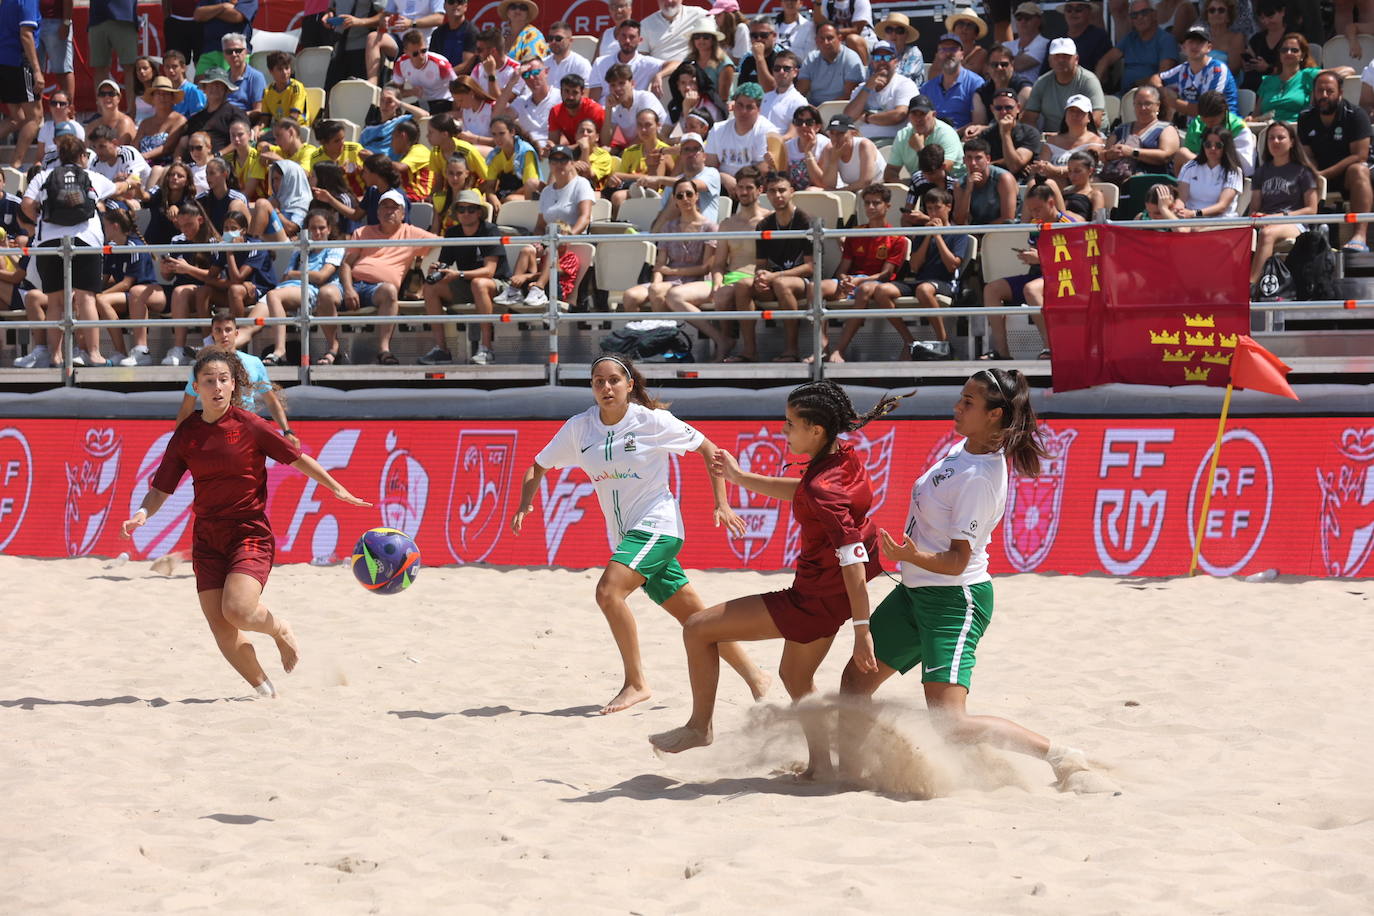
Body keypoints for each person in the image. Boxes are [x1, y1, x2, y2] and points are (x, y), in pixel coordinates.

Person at [835, 369, 1105, 793]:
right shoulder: (964, 448)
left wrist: (909, 555)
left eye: (968, 403)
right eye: (961, 398)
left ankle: (1062, 757)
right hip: (915, 592)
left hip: (953, 601)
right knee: (854, 683)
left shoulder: (981, 478)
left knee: (950, 725)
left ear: (995, 415)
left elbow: (958, 562)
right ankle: (849, 772)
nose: (957, 408)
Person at [649, 380, 898, 772]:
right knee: (795, 677)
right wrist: (739, 477)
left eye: (789, 424)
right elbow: (803, 491)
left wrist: (862, 629)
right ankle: (821, 767)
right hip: (827, 599)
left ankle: (699, 727)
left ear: (815, 430)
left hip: (812, 602)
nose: (783, 431)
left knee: (697, 628)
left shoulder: (823, 488)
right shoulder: (842, 460)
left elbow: (852, 558)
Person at [512, 352, 767, 714]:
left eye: (613, 380)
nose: (606, 387)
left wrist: (721, 503)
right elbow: (537, 466)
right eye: (598, 381)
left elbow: (710, 449)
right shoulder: (579, 428)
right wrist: (525, 504)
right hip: (626, 537)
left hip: (658, 526)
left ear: (630, 385)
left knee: (608, 592)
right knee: (696, 618)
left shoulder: (651, 421)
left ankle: (636, 683)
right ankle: (756, 678)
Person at [123, 349, 369, 698]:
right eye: (209, 381)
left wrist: (337, 488)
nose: (217, 387)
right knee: (221, 627)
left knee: (237, 610)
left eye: (224, 380)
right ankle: (266, 694)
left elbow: (297, 458)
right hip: (207, 538)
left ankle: (280, 629)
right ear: (196, 388)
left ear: (234, 385)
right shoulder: (186, 434)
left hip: (248, 532)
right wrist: (142, 514)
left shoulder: (249, 424)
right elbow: (161, 488)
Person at [20, 133, 126, 368]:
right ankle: (95, 354)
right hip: (86, 240)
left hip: (50, 241)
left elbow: (26, 204)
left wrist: (38, 218)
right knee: (87, 298)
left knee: (56, 301)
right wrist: (130, 183)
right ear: (82, 156)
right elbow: (117, 188)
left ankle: (56, 356)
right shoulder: (91, 176)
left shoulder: (44, 176)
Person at [623, 177, 729, 355]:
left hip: (695, 280)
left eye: (689, 194)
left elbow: (705, 268)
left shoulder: (710, 227)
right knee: (629, 296)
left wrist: (670, 273)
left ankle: (663, 347)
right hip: (669, 279)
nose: (685, 198)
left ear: (696, 196)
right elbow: (660, 263)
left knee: (657, 291)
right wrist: (657, 280)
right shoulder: (668, 227)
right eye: (680, 195)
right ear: (674, 200)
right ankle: (642, 343)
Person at [336, 189, 438, 364]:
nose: (389, 211)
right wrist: (348, 289)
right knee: (326, 294)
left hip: (379, 290)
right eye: (384, 207)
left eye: (394, 207)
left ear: (403, 213)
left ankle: (383, 350)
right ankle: (333, 350)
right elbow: (346, 264)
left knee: (389, 291)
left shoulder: (411, 233)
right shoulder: (362, 232)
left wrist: (430, 266)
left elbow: (443, 244)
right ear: (377, 212)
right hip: (353, 285)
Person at [979, 183, 1079, 359]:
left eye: (1038, 209)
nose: (1034, 214)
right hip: (1038, 275)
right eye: (1031, 210)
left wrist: (1040, 258)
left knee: (1031, 290)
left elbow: (1075, 262)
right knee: (991, 289)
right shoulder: (1035, 224)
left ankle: (1050, 347)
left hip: (1062, 277)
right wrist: (1030, 257)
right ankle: (1002, 353)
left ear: (1051, 203)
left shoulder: (1068, 225)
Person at [820, 184, 910, 362]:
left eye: (876, 203)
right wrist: (844, 279)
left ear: (887, 206)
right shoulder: (855, 233)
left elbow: (885, 274)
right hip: (854, 282)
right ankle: (822, 347)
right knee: (817, 287)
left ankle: (840, 350)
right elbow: (843, 268)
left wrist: (857, 282)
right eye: (867, 203)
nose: (870, 207)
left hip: (873, 284)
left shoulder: (897, 237)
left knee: (866, 289)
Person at [877, 186, 969, 355]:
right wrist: (928, 235)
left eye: (937, 208)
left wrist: (938, 236)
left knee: (924, 289)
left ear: (949, 207)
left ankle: (943, 341)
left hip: (946, 283)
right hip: (921, 281)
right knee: (882, 291)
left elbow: (952, 265)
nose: (933, 213)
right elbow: (914, 266)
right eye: (929, 209)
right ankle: (909, 341)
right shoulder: (922, 233)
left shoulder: (959, 233)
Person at [419, 189, 507, 365]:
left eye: (471, 209)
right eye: (461, 209)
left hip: (497, 285)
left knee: (479, 284)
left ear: (479, 212)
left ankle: (487, 348)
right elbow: (445, 264)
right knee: (430, 287)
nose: (466, 213)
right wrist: (436, 270)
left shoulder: (490, 230)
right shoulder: (452, 233)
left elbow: (489, 271)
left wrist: (458, 274)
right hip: (467, 284)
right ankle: (441, 349)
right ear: (456, 213)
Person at [174, 309, 291, 435]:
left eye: (228, 330)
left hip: (246, 431)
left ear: (236, 333)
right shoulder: (202, 367)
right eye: (218, 330)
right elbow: (187, 407)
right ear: (212, 334)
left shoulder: (254, 363)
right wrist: (177, 440)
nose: (223, 334)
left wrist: (288, 431)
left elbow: (271, 401)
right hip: (215, 430)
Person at [741, 170, 811, 362]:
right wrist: (760, 278)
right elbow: (761, 264)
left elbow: (810, 267)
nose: (777, 196)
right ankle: (749, 351)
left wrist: (773, 277)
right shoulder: (763, 225)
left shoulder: (806, 221)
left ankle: (791, 350)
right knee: (742, 285)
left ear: (792, 191)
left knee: (783, 284)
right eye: (772, 191)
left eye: (782, 190)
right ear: (767, 194)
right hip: (775, 280)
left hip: (804, 283)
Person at [1299, 70, 1373, 252]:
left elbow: (1360, 155)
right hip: (1319, 174)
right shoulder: (1305, 117)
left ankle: (1359, 236)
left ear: (1340, 92)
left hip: (1348, 176)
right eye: (1319, 91)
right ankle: (1304, 239)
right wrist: (1314, 173)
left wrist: (1322, 174)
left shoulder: (1355, 115)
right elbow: (1306, 154)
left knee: (1359, 170)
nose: (1323, 95)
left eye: (1329, 91)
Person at [263, 210, 344, 366]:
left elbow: (321, 276)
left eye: (321, 228)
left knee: (273, 296)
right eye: (313, 228)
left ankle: (280, 351)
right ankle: (278, 351)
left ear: (330, 229)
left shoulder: (334, 247)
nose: (317, 232)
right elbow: (285, 278)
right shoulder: (300, 251)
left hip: (311, 290)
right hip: (290, 289)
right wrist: (298, 275)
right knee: (270, 298)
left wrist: (295, 273)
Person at [1246, 120, 1318, 285]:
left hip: (1294, 223)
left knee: (1268, 234)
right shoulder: (1261, 172)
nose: (1275, 142)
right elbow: (1254, 208)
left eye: (1281, 138)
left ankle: (1251, 285)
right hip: (1266, 222)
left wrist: (1280, 216)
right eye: (1271, 138)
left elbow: (1312, 209)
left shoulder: (1303, 171)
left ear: (1292, 142)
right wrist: (1258, 217)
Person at [704, 82, 783, 196]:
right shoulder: (718, 129)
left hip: (753, 187)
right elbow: (709, 166)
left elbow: (763, 169)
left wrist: (739, 184)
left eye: (749, 107)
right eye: (740, 105)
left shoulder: (767, 131)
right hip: (723, 185)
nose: (743, 111)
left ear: (759, 109)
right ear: (733, 106)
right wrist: (723, 177)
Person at [1152, 24, 1237, 119]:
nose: (1195, 46)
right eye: (1191, 42)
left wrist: (1173, 102)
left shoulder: (1217, 69)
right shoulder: (1183, 68)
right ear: (1183, 47)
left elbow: (1207, 109)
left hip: (1222, 126)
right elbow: (1155, 78)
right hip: (1193, 128)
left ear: (1209, 48)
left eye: (1200, 42)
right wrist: (1164, 92)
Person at [1099, 85, 1179, 186]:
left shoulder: (1166, 129)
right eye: (1139, 104)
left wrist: (1132, 152)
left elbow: (1165, 156)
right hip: (1115, 176)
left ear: (1157, 105)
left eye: (1147, 103)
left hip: (1149, 181)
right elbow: (1102, 155)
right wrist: (1109, 154)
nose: (1143, 108)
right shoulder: (1121, 129)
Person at [1096, 0, 1179, 94]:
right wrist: (1097, 87)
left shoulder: (1166, 40)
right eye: (1134, 15)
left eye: (1144, 13)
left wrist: (1137, 83)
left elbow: (1163, 76)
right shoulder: (1130, 38)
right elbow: (1104, 61)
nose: (1139, 17)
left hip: (1150, 96)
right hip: (1124, 95)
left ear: (1154, 15)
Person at [1025, 38, 1106, 133]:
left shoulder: (1089, 81)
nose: (1061, 60)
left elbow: (1096, 120)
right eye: (1056, 56)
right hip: (1053, 138)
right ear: (1049, 60)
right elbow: (1029, 118)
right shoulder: (1041, 82)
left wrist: (1066, 138)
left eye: (1066, 56)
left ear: (1076, 59)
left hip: (1089, 137)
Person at [0, 0, 44, 172]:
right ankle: (15, 166)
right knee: (35, 116)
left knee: (17, 118)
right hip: (19, 63)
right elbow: (26, 34)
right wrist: (37, 70)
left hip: (4, 61)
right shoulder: (27, 1)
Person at [844, 40, 918, 142]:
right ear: (872, 62)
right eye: (877, 58)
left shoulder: (905, 84)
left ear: (896, 61)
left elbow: (899, 115)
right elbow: (848, 117)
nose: (882, 61)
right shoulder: (862, 88)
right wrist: (868, 87)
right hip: (863, 142)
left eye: (887, 57)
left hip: (893, 143)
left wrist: (867, 117)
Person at [1026, 94, 1106, 185]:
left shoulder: (1095, 142)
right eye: (1071, 111)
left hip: (1079, 187)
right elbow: (1043, 167)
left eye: (1080, 112)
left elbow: (1084, 169)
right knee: (1032, 183)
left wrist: (1055, 170)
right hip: (1051, 185)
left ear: (1089, 117)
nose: (1075, 115)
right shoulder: (1051, 141)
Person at [1252, 34, 1333, 124]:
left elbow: (1347, 71)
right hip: (1267, 129)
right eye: (1284, 50)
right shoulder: (1268, 81)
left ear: (1302, 55)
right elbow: (1256, 114)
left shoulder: (1308, 75)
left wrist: (1320, 74)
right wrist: (1251, 119)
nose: (1288, 53)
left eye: (1294, 50)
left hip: (1296, 128)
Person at [365, 0, 445, 86]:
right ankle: (372, 83)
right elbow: (386, 14)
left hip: (423, 44)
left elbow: (440, 18)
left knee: (413, 86)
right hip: (400, 41)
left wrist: (412, 23)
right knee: (373, 37)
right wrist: (385, 21)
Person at [590, 18, 670, 103]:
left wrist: (659, 75)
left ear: (640, 40)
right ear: (617, 37)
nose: (627, 41)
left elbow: (676, 64)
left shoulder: (646, 63)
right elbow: (594, 100)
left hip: (635, 113)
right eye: (623, 36)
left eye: (632, 37)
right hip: (605, 111)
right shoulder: (600, 63)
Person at [1176, 89, 1255, 175]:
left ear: (1224, 113)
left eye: (1212, 121)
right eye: (1204, 121)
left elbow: (1246, 168)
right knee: (1182, 153)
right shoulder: (1197, 123)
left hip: (1225, 175)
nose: (1208, 126)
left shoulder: (1239, 129)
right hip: (1198, 174)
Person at [607, 109, 673, 211]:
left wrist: (624, 176)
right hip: (631, 190)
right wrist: (614, 180)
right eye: (640, 125)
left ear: (658, 125)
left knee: (618, 197)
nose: (643, 130)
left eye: (648, 125)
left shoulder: (667, 151)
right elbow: (620, 179)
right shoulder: (629, 151)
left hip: (657, 195)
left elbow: (660, 179)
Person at [1174, 125, 1244, 219]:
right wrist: (1179, 209)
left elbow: (1222, 206)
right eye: (1208, 144)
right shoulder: (1190, 166)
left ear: (1226, 148)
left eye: (1218, 145)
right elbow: (1182, 199)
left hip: (1221, 221)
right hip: (1191, 219)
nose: (1212, 148)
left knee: (1194, 230)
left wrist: (1194, 214)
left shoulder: (1233, 172)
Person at [921, 32, 987, 130]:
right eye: (943, 49)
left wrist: (952, 135)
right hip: (933, 138)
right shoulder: (927, 88)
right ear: (938, 55)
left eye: (953, 49)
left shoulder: (976, 83)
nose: (948, 53)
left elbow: (979, 123)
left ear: (962, 55)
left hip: (963, 139)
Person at [968, 89, 1036, 180]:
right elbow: (977, 165)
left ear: (1018, 108)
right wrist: (1002, 162)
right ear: (992, 109)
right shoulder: (985, 135)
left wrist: (1005, 133)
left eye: (1008, 107)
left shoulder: (1029, 133)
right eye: (998, 108)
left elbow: (1014, 166)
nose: (1004, 112)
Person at [600, 62, 669, 152]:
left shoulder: (645, 98)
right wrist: (608, 110)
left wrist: (625, 153)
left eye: (621, 83)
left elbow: (647, 132)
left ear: (632, 83)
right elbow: (606, 142)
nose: (617, 88)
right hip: (635, 151)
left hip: (659, 148)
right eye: (613, 85)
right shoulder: (614, 108)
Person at [135, 77, 189, 186]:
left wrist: (144, 156)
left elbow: (167, 147)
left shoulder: (179, 120)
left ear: (172, 98)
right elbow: (135, 145)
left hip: (164, 167)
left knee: (156, 170)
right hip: (141, 165)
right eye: (158, 94)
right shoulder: (145, 123)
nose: (162, 97)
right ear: (153, 98)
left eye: (166, 94)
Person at [954, 137, 1017, 226]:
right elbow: (959, 221)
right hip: (976, 231)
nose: (973, 163)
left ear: (988, 159)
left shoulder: (1004, 179)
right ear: (964, 160)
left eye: (978, 158)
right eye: (969, 158)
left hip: (1006, 231)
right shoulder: (960, 184)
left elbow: (1008, 218)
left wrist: (980, 231)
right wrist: (968, 190)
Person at [798, 23, 864, 107]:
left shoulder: (851, 58)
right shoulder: (811, 59)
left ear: (839, 38)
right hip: (813, 109)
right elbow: (801, 91)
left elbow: (849, 95)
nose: (826, 42)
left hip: (841, 108)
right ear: (816, 41)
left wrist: (822, 109)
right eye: (821, 39)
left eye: (830, 38)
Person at [392, 29, 456, 113]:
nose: (421, 56)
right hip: (423, 104)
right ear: (406, 52)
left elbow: (457, 87)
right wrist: (411, 92)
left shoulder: (440, 64)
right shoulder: (401, 64)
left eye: (423, 51)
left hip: (444, 101)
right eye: (415, 54)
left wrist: (456, 110)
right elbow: (397, 92)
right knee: (406, 118)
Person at [90, 0, 139, 109]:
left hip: (124, 15)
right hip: (98, 16)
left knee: (129, 67)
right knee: (100, 67)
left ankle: (132, 112)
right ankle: (103, 112)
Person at [483, 114, 540, 206]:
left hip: (526, 196)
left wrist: (505, 199)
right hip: (504, 193)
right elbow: (490, 186)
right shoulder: (495, 155)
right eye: (494, 134)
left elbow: (529, 186)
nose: (497, 139)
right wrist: (493, 198)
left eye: (501, 133)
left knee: (510, 200)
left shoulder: (526, 152)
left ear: (512, 132)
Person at [496, 60, 555, 148]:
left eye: (535, 72)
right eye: (526, 75)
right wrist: (512, 82)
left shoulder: (561, 97)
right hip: (526, 151)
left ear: (546, 72)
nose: (531, 77)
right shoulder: (522, 101)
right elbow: (497, 117)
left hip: (552, 152)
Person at [818, 114, 882, 191]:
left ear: (853, 133)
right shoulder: (829, 149)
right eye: (832, 133)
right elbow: (829, 184)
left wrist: (841, 192)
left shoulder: (864, 145)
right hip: (853, 192)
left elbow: (865, 182)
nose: (835, 138)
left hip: (879, 190)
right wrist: (833, 161)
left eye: (841, 133)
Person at [973, 46, 1034, 121]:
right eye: (994, 65)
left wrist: (986, 128)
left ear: (1012, 65)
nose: (999, 68)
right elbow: (979, 123)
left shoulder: (1025, 89)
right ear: (987, 67)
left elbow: (1012, 119)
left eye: (1004, 64)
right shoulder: (981, 93)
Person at [640, 0, 712, 63]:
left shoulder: (699, 15)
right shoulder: (645, 25)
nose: (669, 1)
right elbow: (642, 58)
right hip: (660, 75)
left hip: (692, 75)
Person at [684, 25, 735, 111]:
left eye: (706, 37)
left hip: (717, 108)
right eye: (697, 37)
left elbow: (723, 97)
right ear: (693, 40)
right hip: (692, 105)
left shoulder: (725, 64)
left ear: (713, 40)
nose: (701, 40)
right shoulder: (688, 60)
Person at [549, 74, 606, 148]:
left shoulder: (594, 110)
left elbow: (596, 143)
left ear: (582, 93)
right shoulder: (555, 111)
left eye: (575, 92)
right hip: (573, 152)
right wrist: (550, 147)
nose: (570, 97)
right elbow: (553, 141)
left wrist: (565, 149)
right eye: (566, 91)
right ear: (561, 92)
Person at [33, 90, 84, 169]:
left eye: (62, 104)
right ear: (50, 107)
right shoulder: (45, 128)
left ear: (69, 108)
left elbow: (81, 156)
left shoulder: (77, 128)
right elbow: (39, 158)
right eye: (54, 103)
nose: (57, 107)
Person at [217, 33, 266, 115]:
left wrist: (236, 116)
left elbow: (258, 110)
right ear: (224, 55)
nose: (234, 54)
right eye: (229, 51)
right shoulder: (222, 78)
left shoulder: (256, 77)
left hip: (244, 122)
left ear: (246, 52)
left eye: (238, 51)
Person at [761, 51, 807, 134]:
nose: (781, 72)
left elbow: (795, 134)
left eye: (786, 68)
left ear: (795, 73)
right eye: (777, 68)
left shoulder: (799, 101)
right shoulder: (765, 97)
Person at [37, 0, 73, 105]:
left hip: (55, 21)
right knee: (34, 72)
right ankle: (36, 115)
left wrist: (66, 22)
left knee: (62, 70)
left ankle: (69, 111)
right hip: (32, 21)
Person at [429, 0, 478, 77]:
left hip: (461, 83)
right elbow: (432, 61)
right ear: (444, 6)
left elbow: (467, 66)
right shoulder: (437, 33)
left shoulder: (471, 32)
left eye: (460, 1)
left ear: (465, 6)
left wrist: (446, 74)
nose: (455, 5)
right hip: (440, 82)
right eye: (451, 1)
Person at [1060, 0, 1111, 73]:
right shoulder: (1057, 40)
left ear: (1089, 12)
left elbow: (1103, 72)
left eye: (1079, 9)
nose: (1073, 13)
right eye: (1069, 10)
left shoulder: (1099, 37)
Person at [1004, 1, 1049, 82]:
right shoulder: (1006, 45)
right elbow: (988, 68)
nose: (1023, 21)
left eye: (1027, 18)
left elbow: (1018, 65)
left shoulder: (1045, 44)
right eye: (1019, 18)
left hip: (1033, 92)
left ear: (1039, 21)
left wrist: (1001, 62)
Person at [88, 78, 138, 148]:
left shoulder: (125, 122)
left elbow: (118, 151)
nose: (107, 97)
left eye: (111, 94)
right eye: (102, 94)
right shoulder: (92, 126)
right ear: (97, 99)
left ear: (119, 98)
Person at [1200, 0, 1245, 76]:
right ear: (1207, 16)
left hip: (1227, 83)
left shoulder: (1237, 38)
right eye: (1212, 10)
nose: (1216, 13)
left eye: (1221, 10)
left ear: (1228, 17)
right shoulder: (1200, 38)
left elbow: (1234, 70)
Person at [543, 20, 591, 90]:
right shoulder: (543, 63)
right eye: (550, 38)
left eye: (558, 38)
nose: (553, 42)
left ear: (570, 41)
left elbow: (586, 93)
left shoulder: (581, 64)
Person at [944, 6, 990, 77]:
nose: (965, 28)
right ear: (954, 30)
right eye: (960, 24)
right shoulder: (946, 51)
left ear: (976, 34)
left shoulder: (981, 53)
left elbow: (968, 74)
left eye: (970, 25)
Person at [878, 11, 923, 82]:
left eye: (899, 30)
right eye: (889, 30)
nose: (893, 34)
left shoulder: (913, 53)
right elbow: (870, 77)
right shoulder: (877, 52)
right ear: (885, 34)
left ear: (906, 35)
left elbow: (904, 79)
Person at [500, 0, 546, 64]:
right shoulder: (503, 36)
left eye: (523, 8)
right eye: (513, 7)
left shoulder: (534, 35)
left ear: (527, 14)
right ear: (507, 13)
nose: (517, 10)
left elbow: (533, 66)